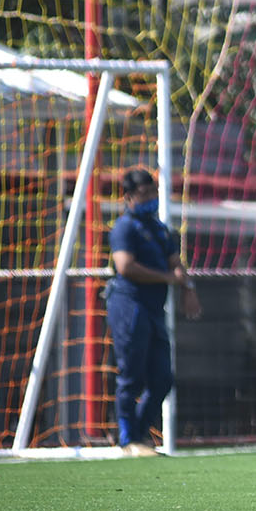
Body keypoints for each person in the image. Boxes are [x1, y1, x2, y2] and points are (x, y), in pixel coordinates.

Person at [107, 167, 201, 456]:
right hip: (129, 305)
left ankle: (139, 432)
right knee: (132, 375)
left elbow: (175, 264)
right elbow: (125, 266)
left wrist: (187, 288)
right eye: (144, 194)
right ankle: (127, 438)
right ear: (129, 197)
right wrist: (167, 278)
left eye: (153, 192)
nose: (150, 199)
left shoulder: (160, 229)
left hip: (153, 309)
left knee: (162, 378)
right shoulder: (125, 228)